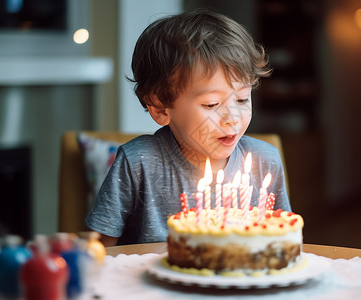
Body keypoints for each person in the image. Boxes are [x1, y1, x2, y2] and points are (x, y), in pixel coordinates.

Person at [85, 9, 291, 246]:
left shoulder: (265, 162)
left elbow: (283, 240)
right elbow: (101, 252)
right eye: (211, 104)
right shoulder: (138, 162)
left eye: (243, 99)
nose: (232, 118)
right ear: (161, 108)